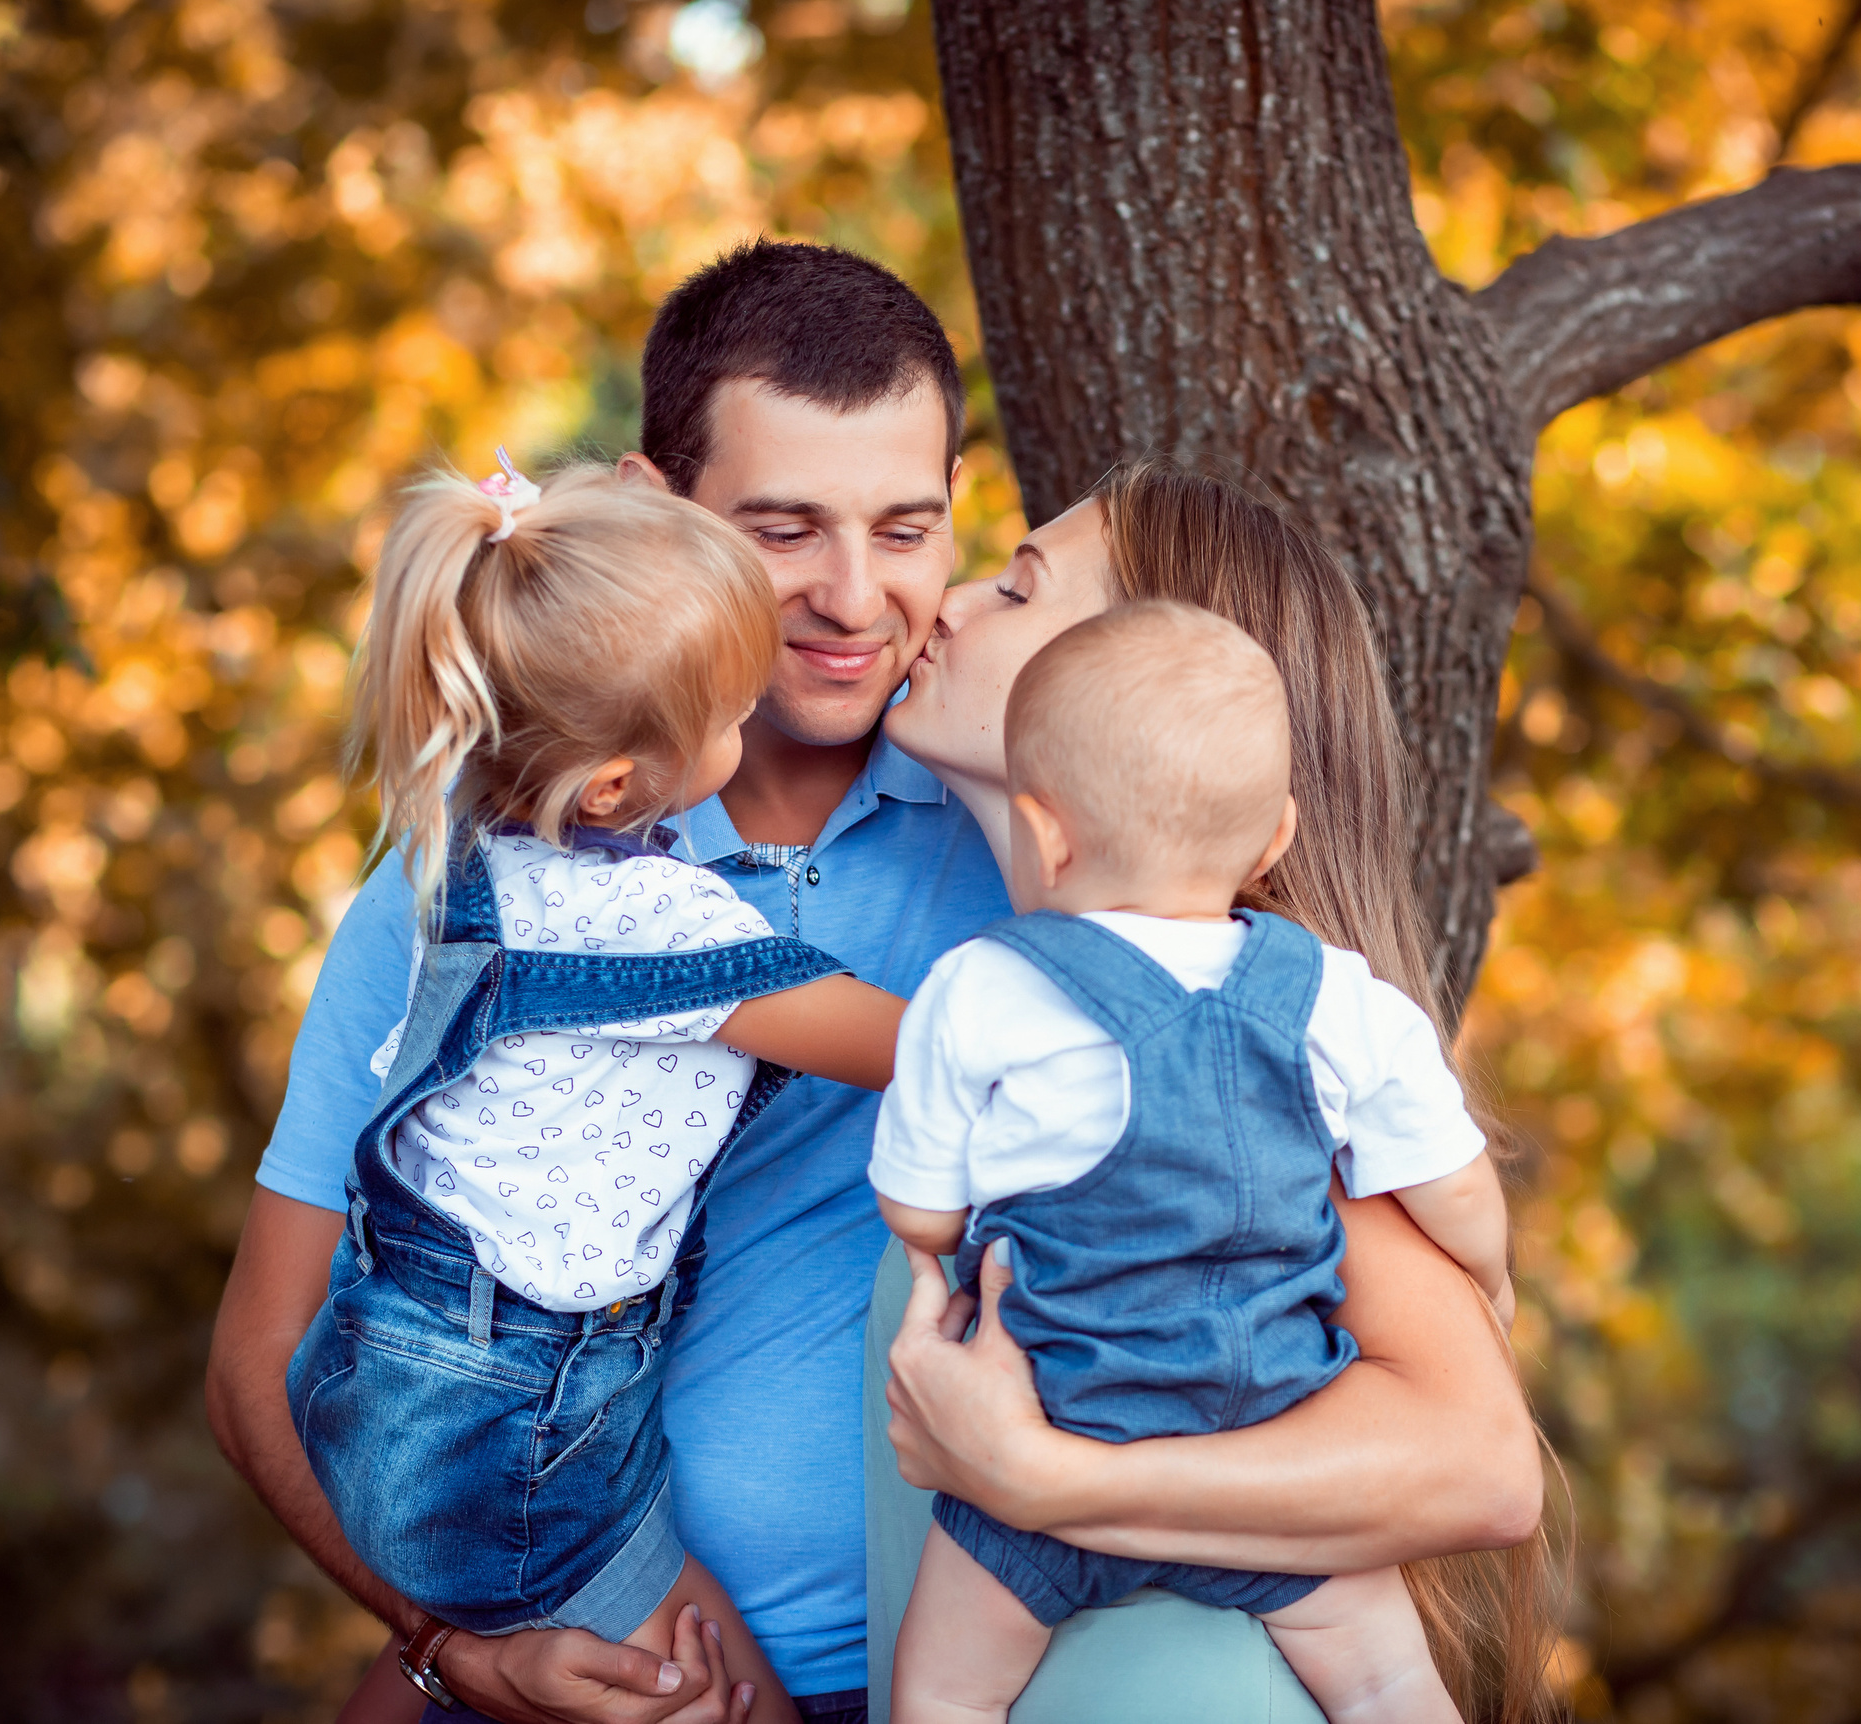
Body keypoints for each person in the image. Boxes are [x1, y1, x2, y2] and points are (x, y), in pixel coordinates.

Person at [206, 242, 1542, 1724]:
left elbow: (1465, 1443)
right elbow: (270, 1354)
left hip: (978, 1660)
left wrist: (1047, 1478)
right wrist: (446, 1646)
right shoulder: (504, 877)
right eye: (786, 530)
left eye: (915, 531)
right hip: (578, 1633)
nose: (866, 599)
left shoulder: (1122, 907)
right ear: (663, 513)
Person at [874, 460, 1560, 1724]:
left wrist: (1038, 1477)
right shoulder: (1037, 996)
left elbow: (1483, 1468)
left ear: (1136, 681)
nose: (950, 603)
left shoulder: (1266, 1082)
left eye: (1018, 587)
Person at [290, 459, 920, 1722]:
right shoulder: (641, 919)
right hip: (516, 1423)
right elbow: (916, 1045)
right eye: (732, 715)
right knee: (726, 1702)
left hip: (412, 1369)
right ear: (618, 787)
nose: (748, 736)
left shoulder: (478, 847)